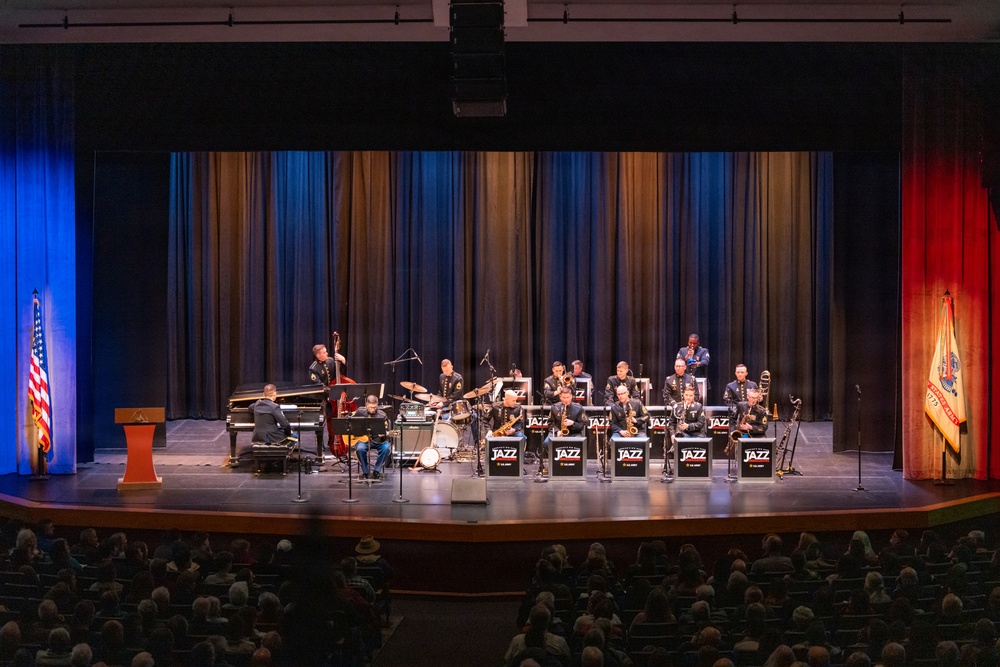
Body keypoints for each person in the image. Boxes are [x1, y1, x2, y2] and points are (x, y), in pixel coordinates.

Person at [308, 342, 348, 447]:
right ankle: (320, 444)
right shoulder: (313, 369)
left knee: (334, 419)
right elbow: (319, 386)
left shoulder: (330, 361)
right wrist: (333, 392)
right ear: (318, 355)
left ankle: (333, 440)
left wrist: (343, 361)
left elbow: (340, 373)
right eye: (324, 352)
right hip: (323, 398)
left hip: (334, 397)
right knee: (322, 421)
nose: (327, 354)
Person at [542, 386, 589, 471]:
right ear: (560, 397)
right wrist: (557, 431)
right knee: (546, 442)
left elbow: (582, 426)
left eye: (568, 397)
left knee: (580, 442)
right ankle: (554, 462)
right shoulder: (554, 407)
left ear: (571, 396)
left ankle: (576, 467)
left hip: (574, 433)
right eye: (563, 398)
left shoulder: (579, 408)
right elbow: (550, 423)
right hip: (558, 432)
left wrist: (573, 423)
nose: (566, 400)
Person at [352, 395, 391, 480]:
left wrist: (384, 434)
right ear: (366, 405)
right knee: (360, 449)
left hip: (378, 441)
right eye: (370, 407)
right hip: (363, 441)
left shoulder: (382, 415)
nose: (373, 409)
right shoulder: (359, 413)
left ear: (377, 405)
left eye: (375, 407)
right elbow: (352, 426)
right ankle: (365, 472)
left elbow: (387, 430)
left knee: (386, 447)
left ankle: (377, 470)